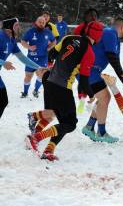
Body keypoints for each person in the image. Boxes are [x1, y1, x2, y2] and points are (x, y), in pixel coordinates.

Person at [25, 21, 104, 161]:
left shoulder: (68, 38)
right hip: (62, 88)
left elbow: (51, 55)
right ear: (98, 36)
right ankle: (36, 137)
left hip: (50, 81)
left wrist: (48, 68)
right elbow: (84, 80)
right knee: (70, 124)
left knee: (60, 119)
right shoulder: (89, 52)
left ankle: (48, 150)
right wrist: (91, 96)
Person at [81, 16, 123, 143]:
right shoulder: (110, 33)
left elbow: (116, 60)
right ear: (122, 27)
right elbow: (111, 57)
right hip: (88, 70)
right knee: (105, 97)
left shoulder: (115, 39)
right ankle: (101, 133)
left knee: (103, 98)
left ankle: (89, 126)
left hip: (93, 71)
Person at [0, 17, 41, 118]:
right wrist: (2, 62)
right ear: (9, 26)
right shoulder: (0, 36)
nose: (18, 27)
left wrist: (38, 67)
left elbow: (22, 57)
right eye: (16, 25)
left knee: (3, 101)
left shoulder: (12, 40)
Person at [20, 16, 56, 98]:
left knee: (42, 75)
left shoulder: (48, 32)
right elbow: (23, 41)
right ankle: (25, 92)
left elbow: (54, 41)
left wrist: (50, 47)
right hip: (31, 58)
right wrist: (29, 47)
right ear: (36, 22)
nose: (41, 24)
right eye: (40, 22)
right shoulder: (30, 31)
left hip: (43, 58)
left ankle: (36, 90)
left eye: (43, 22)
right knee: (28, 76)